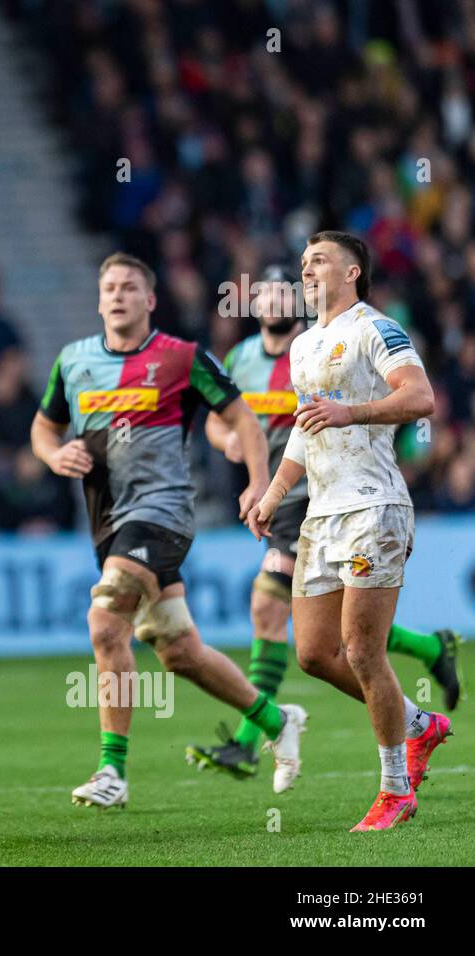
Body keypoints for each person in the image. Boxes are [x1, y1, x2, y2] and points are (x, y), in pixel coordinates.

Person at [32, 252, 307, 807]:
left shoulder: (181, 357)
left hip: (162, 513)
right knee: (179, 652)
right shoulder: (73, 360)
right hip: (107, 520)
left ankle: (112, 771)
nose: (117, 295)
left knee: (106, 623)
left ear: (150, 300)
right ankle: (277, 720)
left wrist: (258, 484)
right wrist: (53, 456)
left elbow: (241, 419)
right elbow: (44, 427)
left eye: (130, 287)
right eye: (109, 286)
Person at [188, 266, 462, 779]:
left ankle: (256, 735)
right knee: (325, 642)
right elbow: (218, 419)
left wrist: (347, 418)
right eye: (263, 295)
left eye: (281, 293)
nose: (272, 303)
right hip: (295, 501)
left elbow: (406, 399)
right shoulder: (244, 357)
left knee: (278, 612)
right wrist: (237, 450)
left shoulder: (328, 344)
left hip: (329, 497)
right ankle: (428, 656)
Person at [246, 231, 453, 831]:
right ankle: (420, 723)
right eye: (304, 262)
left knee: (363, 651)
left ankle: (395, 790)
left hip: (374, 508)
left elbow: (421, 397)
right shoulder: (304, 346)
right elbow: (305, 431)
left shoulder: (376, 329)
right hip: (320, 514)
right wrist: (273, 492)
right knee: (313, 655)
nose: (307, 270)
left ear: (353, 272)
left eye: (320, 261)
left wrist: (352, 411)